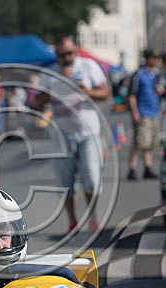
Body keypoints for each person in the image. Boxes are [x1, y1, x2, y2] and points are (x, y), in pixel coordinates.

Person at [35, 35, 110, 234]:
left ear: (75, 51)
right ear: (56, 56)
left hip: (88, 132)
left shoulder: (88, 67)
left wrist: (88, 92)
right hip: (62, 133)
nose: (66, 58)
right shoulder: (50, 73)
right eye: (62, 55)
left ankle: (92, 216)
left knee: (92, 178)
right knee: (65, 181)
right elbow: (37, 101)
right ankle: (73, 220)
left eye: (69, 53)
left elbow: (105, 93)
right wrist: (53, 91)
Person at [127, 49, 165, 180]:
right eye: (153, 58)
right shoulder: (139, 74)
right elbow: (131, 95)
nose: (156, 61)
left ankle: (147, 168)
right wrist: (135, 112)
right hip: (142, 113)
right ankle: (132, 169)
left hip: (153, 112)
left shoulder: (156, 75)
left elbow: (161, 90)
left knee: (149, 143)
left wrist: (161, 91)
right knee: (139, 142)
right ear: (148, 59)